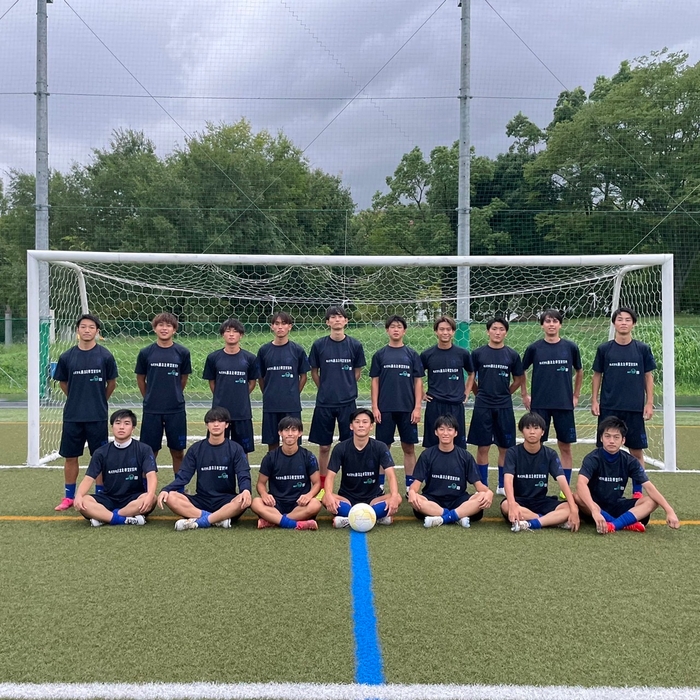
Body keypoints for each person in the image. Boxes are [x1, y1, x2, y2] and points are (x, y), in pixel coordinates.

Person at [52, 314, 118, 511]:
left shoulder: (105, 356)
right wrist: (76, 398)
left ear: (97, 331)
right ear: (77, 330)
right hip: (73, 415)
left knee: (99, 457)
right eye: (83, 326)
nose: (87, 330)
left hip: (97, 415)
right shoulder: (67, 357)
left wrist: (99, 400)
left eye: (91, 327)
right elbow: (63, 383)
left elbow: (112, 383)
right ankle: (69, 497)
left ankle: (100, 494)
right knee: (70, 456)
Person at [574, 416, 679, 534]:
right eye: (607, 436)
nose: (611, 441)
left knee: (652, 501)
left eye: (616, 437)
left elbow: (649, 487)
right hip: (594, 507)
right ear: (601, 438)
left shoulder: (629, 460)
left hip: (617, 504)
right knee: (577, 496)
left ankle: (613, 525)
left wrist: (669, 511)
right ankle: (624, 523)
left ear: (623, 440)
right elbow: (581, 484)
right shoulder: (593, 458)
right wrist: (594, 510)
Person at [591, 307, 656, 497]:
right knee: (605, 450)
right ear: (614, 323)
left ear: (633, 323)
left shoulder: (642, 349)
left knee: (636, 452)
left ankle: (637, 492)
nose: (624, 323)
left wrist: (649, 403)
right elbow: (597, 375)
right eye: (620, 319)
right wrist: (594, 400)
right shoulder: (604, 349)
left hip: (634, 408)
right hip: (609, 407)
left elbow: (648, 376)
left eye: (628, 320)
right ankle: (601, 490)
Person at [157, 407, 251, 530]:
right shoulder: (196, 449)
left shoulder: (236, 448)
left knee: (244, 499)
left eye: (220, 421)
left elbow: (243, 474)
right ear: (207, 425)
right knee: (170, 497)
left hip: (226, 500)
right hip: (201, 500)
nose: (216, 424)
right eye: (212, 421)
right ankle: (217, 519)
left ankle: (202, 520)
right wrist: (166, 489)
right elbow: (183, 477)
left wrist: (246, 490)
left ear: (227, 424)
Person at [521, 309, 583, 486]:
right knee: (535, 445)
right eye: (547, 321)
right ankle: (535, 485)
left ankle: (565, 487)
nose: (551, 324)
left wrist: (576, 395)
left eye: (555, 321)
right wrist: (524, 394)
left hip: (563, 404)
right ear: (542, 325)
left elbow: (580, 371)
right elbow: (522, 370)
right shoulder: (534, 348)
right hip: (540, 404)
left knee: (565, 446)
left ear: (560, 325)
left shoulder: (570, 347)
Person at [308, 306, 366, 488]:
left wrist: (345, 387)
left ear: (346, 321)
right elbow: (314, 372)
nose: (337, 320)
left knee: (349, 445)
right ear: (328, 322)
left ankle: (349, 485)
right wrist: (325, 388)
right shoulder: (319, 345)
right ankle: (322, 487)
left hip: (347, 403)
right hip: (325, 403)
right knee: (324, 447)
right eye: (332, 317)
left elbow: (357, 372)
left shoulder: (355, 345)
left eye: (340, 317)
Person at [467, 316, 524, 494]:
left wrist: (507, 392)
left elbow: (518, 379)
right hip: (483, 405)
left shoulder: (512, 355)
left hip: (504, 405)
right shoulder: (478, 354)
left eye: (501, 329)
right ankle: (483, 486)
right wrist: (478, 393)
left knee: (505, 447)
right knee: (483, 447)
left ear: (506, 332)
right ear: (488, 331)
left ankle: (502, 485)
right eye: (494, 329)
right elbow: (471, 377)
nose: (497, 332)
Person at [73, 409, 157, 526]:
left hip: (133, 498)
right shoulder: (101, 452)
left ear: (133, 428)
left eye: (126, 423)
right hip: (108, 498)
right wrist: (78, 495)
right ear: (112, 427)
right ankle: (124, 519)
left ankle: (104, 517)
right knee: (84, 501)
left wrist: (150, 494)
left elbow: (151, 476)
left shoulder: (144, 449)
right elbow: (89, 478)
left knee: (152, 498)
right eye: (118, 423)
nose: (121, 427)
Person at [408, 414, 492, 528]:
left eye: (449, 429)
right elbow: (416, 484)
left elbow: (479, 486)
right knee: (417, 500)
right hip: (433, 500)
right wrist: (412, 492)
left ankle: (442, 518)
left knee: (481, 496)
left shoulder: (465, 456)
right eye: (441, 429)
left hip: (458, 500)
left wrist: (488, 492)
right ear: (436, 432)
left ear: (455, 433)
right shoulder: (427, 455)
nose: (445, 433)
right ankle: (457, 516)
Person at [369, 315, 423, 493]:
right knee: (383, 448)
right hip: (385, 409)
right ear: (387, 330)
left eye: (399, 327)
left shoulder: (412, 354)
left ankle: (410, 487)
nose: (396, 330)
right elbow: (375, 381)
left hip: (407, 409)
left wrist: (417, 407)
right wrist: (375, 407)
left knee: (409, 447)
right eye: (392, 326)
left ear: (404, 331)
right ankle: (379, 485)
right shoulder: (380, 355)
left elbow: (418, 382)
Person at [322, 408, 402, 528]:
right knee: (325, 497)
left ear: (371, 426)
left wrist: (394, 496)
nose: (361, 425)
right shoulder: (340, 448)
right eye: (357, 422)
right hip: (347, 499)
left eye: (365, 422)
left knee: (398, 497)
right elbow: (330, 476)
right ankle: (376, 518)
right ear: (351, 426)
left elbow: (391, 475)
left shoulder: (380, 447)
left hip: (373, 498)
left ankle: (348, 520)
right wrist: (328, 494)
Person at [501, 412, 579, 532]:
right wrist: (512, 504)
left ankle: (532, 523)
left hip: (541, 500)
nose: (532, 432)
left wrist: (573, 508)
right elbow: (508, 480)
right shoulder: (513, 452)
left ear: (542, 432)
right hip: (519, 500)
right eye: (528, 428)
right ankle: (547, 520)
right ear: (522, 431)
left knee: (569, 507)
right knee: (506, 505)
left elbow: (562, 481)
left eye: (536, 428)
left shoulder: (550, 454)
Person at [134, 312, 191, 474]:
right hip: (152, 409)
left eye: (168, 325)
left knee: (178, 452)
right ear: (154, 328)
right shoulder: (145, 353)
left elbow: (183, 379)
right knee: (150, 452)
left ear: (174, 329)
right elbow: (141, 379)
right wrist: (149, 397)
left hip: (175, 409)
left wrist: (174, 395)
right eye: (160, 325)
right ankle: (146, 485)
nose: (164, 328)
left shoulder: (182, 352)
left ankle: (179, 485)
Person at [251, 416, 322, 530]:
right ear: (280, 433)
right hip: (275, 504)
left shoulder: (308, 457)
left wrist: (308, 495)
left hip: (299, 504)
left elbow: (317, 483)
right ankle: (296, 524)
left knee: (315, 504)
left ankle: (274, 521)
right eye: (286, 430)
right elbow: (260, 483)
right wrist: (264, 495)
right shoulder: (270, 457)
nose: (290, 434)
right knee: (256, 502)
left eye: (294, 430)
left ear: (300, 433)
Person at [202, 318, 259, 455]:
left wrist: (240, 395)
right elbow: (212, 382)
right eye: (228, 331)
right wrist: (221, 395)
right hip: (219, 412)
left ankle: (242, 470)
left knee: (243, 451)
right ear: (223, 334)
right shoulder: (213, 358)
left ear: (241, 335)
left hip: (242, 412)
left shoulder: (250, 358)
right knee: (217, 448)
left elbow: (252, 382)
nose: (231, 334)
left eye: (235, 331)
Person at [256, 311, 310, 452]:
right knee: (272, 442)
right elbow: (260, 377)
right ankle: (273, 466)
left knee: (292, 441)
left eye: (284, 323)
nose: (280, 327)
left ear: (290, 326)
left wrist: (294, 393)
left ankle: (293, 464)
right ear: (272, 326)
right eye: (277, 323)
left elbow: (303, 376)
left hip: (291, 405)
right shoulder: (264, 350)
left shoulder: (297, 350)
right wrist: (267, 393)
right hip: (271, 404)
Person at [420, 315, 474, 450]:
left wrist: (466, 392)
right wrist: (422, 393)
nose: (445, 332)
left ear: (453, 332)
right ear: (436, 331)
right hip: (435, 404)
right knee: (432, 445)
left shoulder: (462, 353)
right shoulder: (427, 354)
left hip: (456, 404)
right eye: (442, 329)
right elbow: (417, 376)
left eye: (448, 329)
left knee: (458, 445)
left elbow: (471, 373)